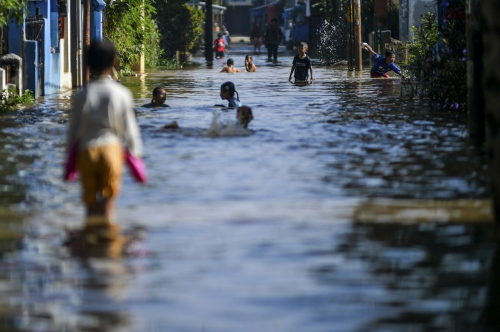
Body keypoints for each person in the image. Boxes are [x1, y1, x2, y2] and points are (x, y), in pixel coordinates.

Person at [66, 40, 143, 228]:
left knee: (90, 207)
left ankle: (90, 244)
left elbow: (73, 131)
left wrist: (69, 159)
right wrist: (135, 156)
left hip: (86, 152)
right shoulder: (121, 93)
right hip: (111, 151)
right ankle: (108, 247)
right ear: (113, 63)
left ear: (88, 64)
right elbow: (130, 130)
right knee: (109, 206)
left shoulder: (82, 95)